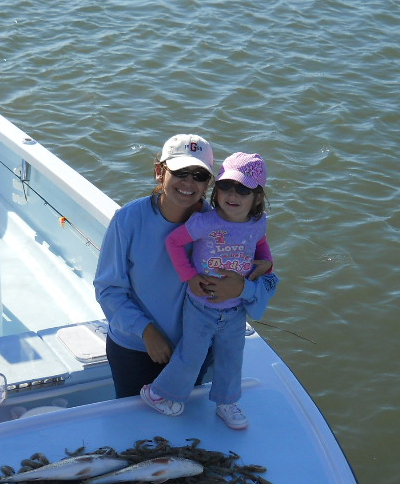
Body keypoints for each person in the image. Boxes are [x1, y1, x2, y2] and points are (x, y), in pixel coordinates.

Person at [139, 152, 277, 429]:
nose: (232, 194)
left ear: (258, 197)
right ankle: (157, 393)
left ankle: (226, 402)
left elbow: (260, 245)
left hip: (236, 307)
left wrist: (266, 265)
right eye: (226, 185)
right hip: (201, 305)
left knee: (231, 357)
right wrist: (188, 276)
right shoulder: (205, 221)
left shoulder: (257, 223)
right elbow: (174, 242)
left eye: (243, 189)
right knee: (191, 356)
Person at [95, 134, 221, 398]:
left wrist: (244, 285)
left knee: (181, 426)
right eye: (180, 172)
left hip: (192, 351)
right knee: (135, 429)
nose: (189, 183)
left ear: (208, 183)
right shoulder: (128, 219)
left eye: (199, 175)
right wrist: (146, 331)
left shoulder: (218, 226)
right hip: (133, 349)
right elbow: (108, 289)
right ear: (159, 172)